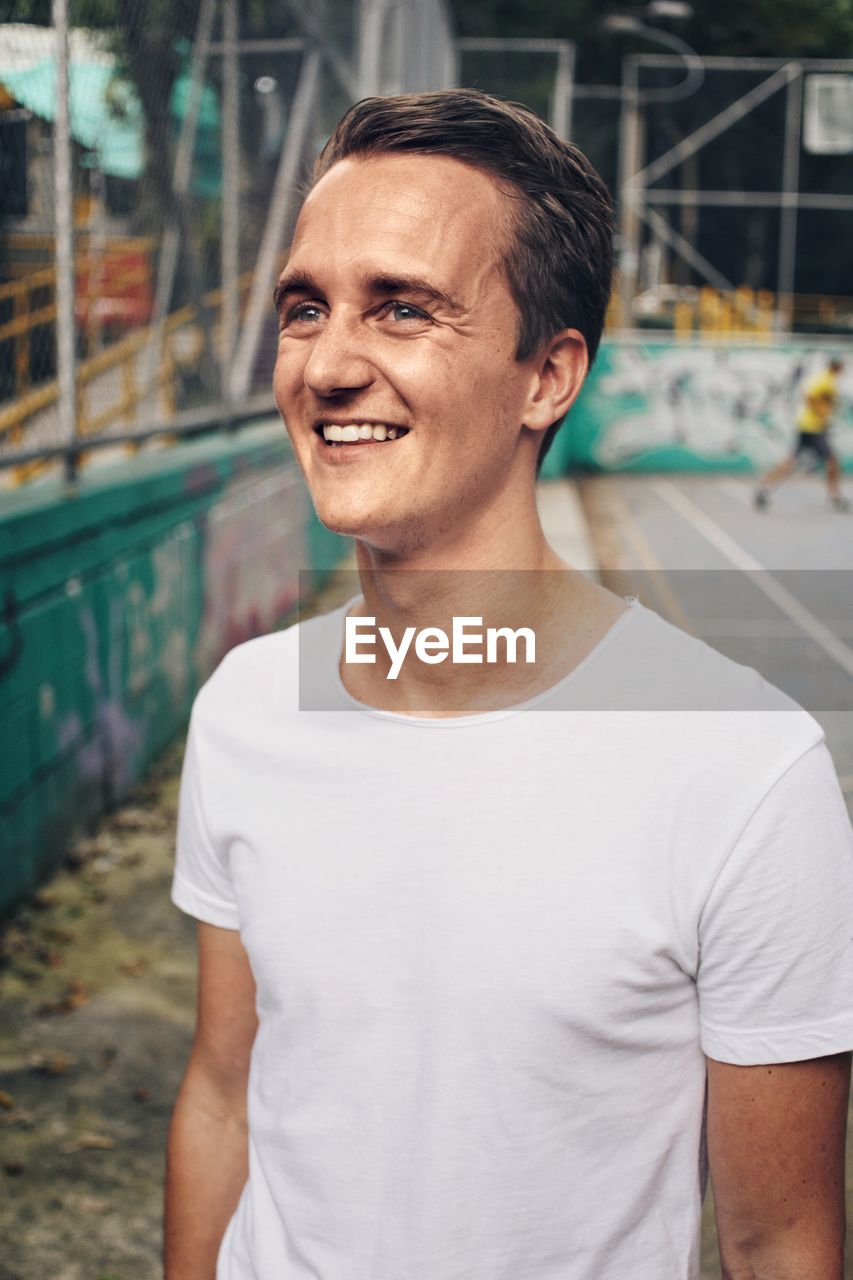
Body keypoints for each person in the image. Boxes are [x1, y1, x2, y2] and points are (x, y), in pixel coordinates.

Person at [165, 90, 853, 1280]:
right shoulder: (243, 711)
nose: (328, 364)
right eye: (303, 307)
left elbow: (776, 1237)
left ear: (548, 377)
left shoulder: (743, 766)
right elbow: (224, 1096)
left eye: (403, 309)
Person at [754, 356, 849, 511]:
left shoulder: (826, 379)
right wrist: (822, 414)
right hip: (814, 428)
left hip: (808, 426)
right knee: (832, 460)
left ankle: (765, 487)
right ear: (837, 367)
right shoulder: (826, 380)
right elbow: (809, 395)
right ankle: (835, 497)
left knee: (792, 461)